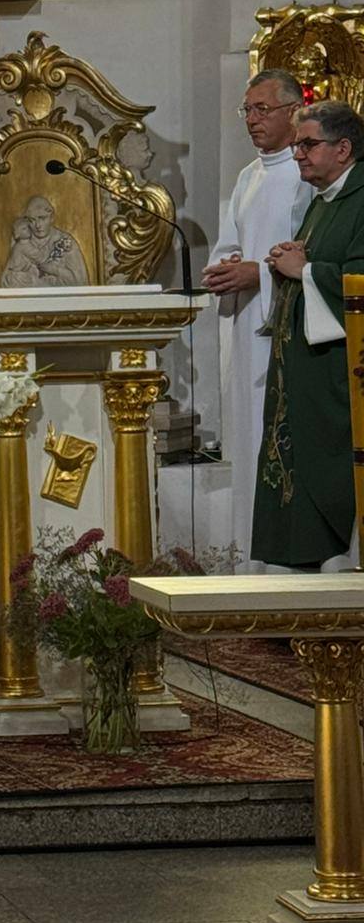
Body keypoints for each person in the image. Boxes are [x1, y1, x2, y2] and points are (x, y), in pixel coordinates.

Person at [202, 69, 309, 570]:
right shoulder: (248, 177)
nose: (251, 120)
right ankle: (253, 564)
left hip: (290, 331)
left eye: (262, 109)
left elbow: (312, 257)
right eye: (247, 110)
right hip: (248, 331)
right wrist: (226, 268)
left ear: (293, 111)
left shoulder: (307, 177)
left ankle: (290, 567)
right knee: (248, 446)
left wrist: (259, 275)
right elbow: (230, 248)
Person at [252, 99, 364, 570]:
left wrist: (307, 270)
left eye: (308, 145)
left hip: (340, 373)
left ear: (343, 148)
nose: (297, 154)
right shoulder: (324, 201)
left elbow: (358, 280)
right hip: (305, 371)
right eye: (298, 145)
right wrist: (290, 259)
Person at [0, 195, 88, 287]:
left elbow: (80, 280)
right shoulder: (23, 240)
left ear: (51, 218)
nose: (38, 225)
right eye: (32, 220)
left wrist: (54, 270)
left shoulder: (65, 241)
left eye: (42, 218)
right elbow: (5, 280)